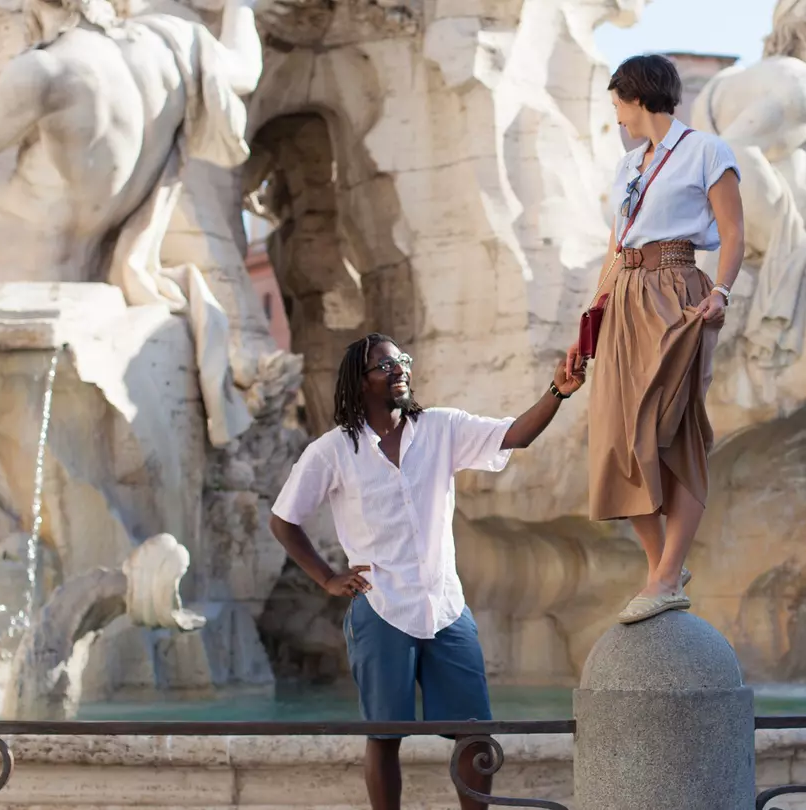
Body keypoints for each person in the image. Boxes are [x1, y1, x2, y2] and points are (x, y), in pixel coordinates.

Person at [269, 333, 584, 810]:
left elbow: (514, 434)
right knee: (385, 734)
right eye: (385, 366)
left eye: (402, 362)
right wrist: (328, 578)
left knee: (476, 732)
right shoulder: (332, 451)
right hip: (380, 608)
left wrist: (557, 390)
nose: (400, 371)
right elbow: (283, 520)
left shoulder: (441, 428)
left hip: (446, 606)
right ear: (360, 382)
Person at [565, 54, 745, 624]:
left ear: (636, 97)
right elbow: (615, 250)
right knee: (618, 438)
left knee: (676, 430)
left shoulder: (707, 151)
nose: (615, 114)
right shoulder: (627, 167)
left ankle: (669, 573)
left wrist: (721, 292)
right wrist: (587, 326)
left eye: (617, 102)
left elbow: (735, 233)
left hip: (679, 292)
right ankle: (661, 569)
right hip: (623, 297)